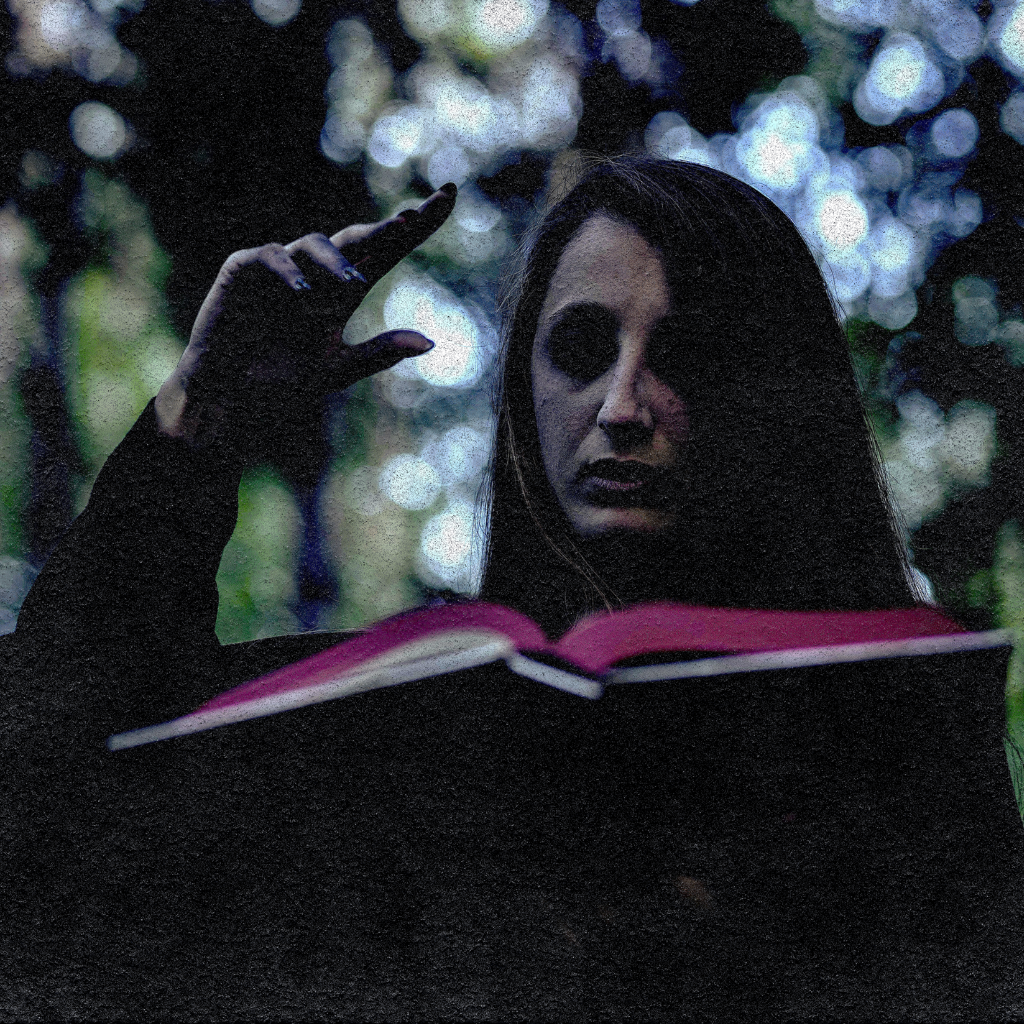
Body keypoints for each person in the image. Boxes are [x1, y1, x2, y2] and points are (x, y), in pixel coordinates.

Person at [4, 156, 1022, 1018]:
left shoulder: (899, 715)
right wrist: (198, 418)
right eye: (581, 349)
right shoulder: (396, 706)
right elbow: (43, 759)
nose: (621, 405)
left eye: (683, 355)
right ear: (521, 385)